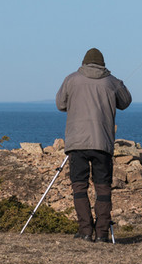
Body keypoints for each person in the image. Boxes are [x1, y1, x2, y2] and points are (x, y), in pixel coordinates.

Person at [56, 48, 132, 242]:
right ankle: (102, 234)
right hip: (102, 142)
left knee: (79, 186)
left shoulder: (71, 79)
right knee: (103, 188)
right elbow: (126, 102)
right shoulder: (112, 82)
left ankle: (85, 231)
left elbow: (60, 105)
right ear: (103, 64)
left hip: (77, 142)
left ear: (83, 63)